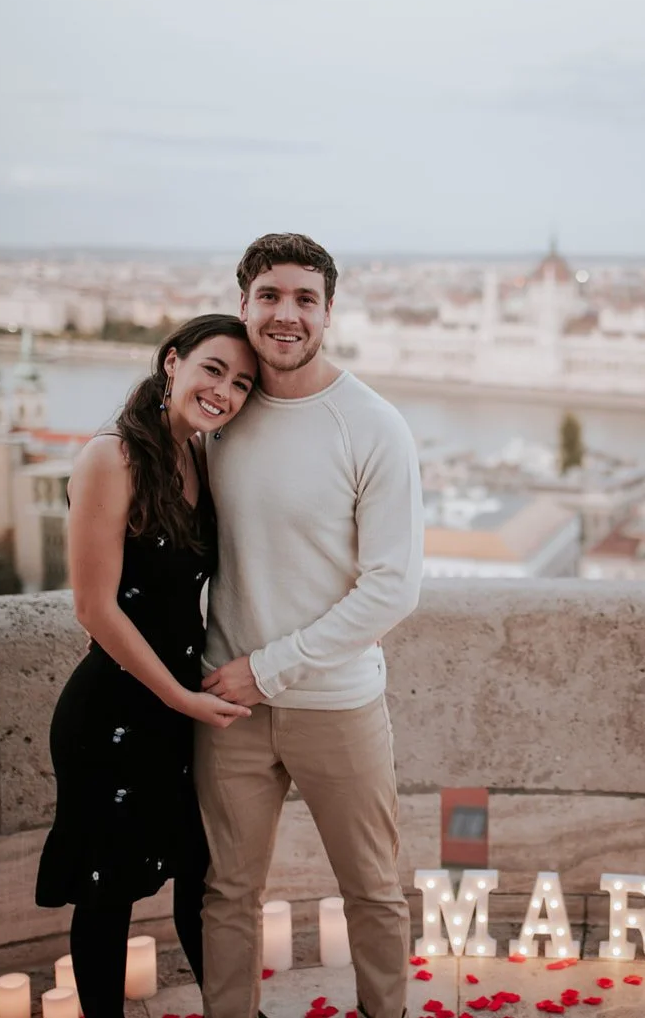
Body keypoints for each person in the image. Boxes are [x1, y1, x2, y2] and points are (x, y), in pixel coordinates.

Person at [197, 233, 424, 1018]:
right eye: (269, 295)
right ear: (243, 305)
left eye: (304, 299)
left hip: (335, 703)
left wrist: (268, 667)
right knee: (226, 891)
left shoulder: (373, 425)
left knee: (372, 888)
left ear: (329, 312)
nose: (285, 314)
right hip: (227, 703)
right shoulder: (218, 411)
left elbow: (392, 588)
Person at [36, 315, 259, 1018]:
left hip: (171, 708)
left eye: (243, 383)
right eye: (214, 369)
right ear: (173, 363)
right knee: (108, 892)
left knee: (199, 876)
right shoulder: (112, 456)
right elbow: (94, 609)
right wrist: (183, 700)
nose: (225, 390)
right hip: (114, 714)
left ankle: (231, 1010)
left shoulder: (199, 456)